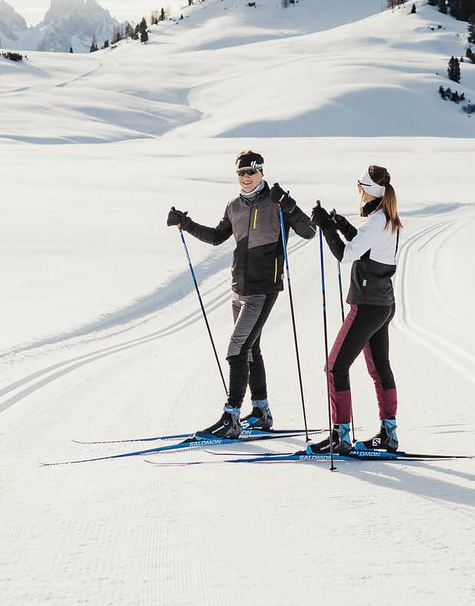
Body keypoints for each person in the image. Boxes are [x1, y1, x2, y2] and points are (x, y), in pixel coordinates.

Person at [167, 150, 314, 438]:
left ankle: (231, 416)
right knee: (250, 349)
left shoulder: (276, 202)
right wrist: (185, 223)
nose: (246, 178)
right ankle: (260, 411)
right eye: (241, 173)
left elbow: (308, 231)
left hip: (263, 288)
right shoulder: (234, 206)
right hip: (239, 287)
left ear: (261, 171)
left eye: (251, 172)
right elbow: (216, 237)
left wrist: (290, 205)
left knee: (237, 347)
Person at [309, 165, 403, 454]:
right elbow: (364, 246)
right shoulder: (387, 218)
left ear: (367, 191)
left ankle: (341, 436)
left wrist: (326, 226)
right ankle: (389, 434)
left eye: (360, 186)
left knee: (335, 367)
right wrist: (340, 224)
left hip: (367, 306)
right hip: (383, 304)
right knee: (379, 369)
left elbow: (346, 254)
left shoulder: (377, 221)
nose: (358, 192)